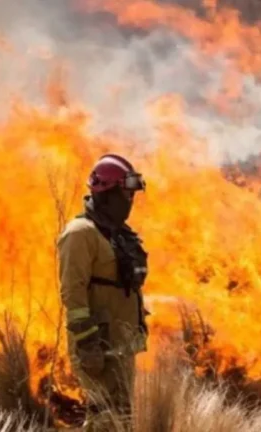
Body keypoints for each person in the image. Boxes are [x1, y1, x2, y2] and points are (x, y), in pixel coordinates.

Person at [57, 154, 149, 431]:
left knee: (122, 418)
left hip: (121, 345)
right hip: (99, 346)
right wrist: (87, 345)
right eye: (125, 193)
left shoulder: (117, 234)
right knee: (104, 419)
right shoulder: (80, 234)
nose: (130, 201)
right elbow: (73, 293)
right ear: (106, 192)